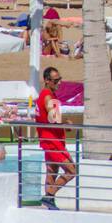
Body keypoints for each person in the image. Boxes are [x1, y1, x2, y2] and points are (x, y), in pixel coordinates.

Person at [36, 67, 76, 209]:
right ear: (47, 81)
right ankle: (49, 196)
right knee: (72, 170)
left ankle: (49, 203)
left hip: (51, 140)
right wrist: (67, 124)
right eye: (56, 80)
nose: (59, 82)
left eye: (60, 79)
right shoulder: (47, 96)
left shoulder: (48, 95)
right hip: (52, 141)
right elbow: (54, 118)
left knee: (52, 172)